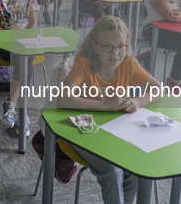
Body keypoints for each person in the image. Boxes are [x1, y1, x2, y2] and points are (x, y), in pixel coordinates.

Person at [57, 16, 162, 203]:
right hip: (84, 129)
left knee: (136, 166)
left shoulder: (129, 64)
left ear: (127, 44)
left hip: (117, 130)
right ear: (95, 46)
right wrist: (105, 105)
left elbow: (158, 89)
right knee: (113, 171)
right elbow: (63, 98)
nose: (115, 53)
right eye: (107, 46)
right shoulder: (84, 64)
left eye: (121, 46)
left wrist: (138, 101)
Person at [0, 0, 39, 137]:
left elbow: (33, 24)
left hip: (26, 44)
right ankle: (22, 115)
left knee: (26, 56)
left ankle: (11, 105)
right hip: (6, 46)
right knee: (25, 60)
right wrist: (11, 40)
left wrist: (24, 39)